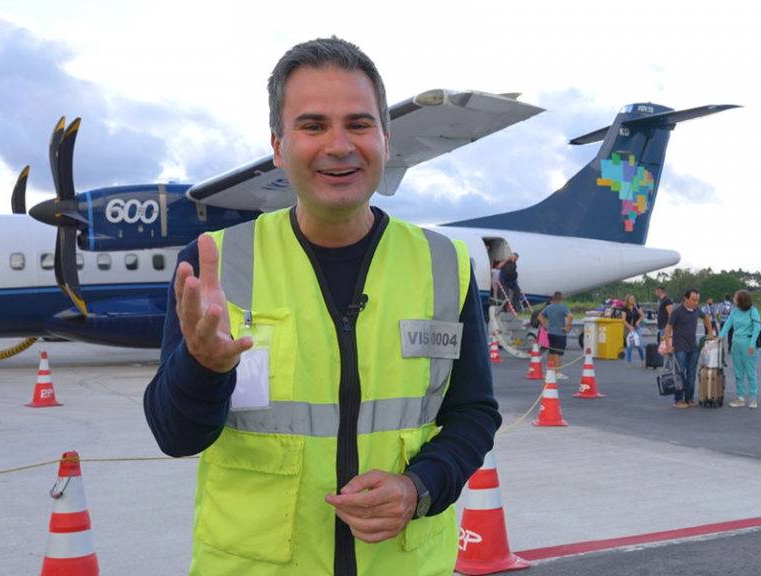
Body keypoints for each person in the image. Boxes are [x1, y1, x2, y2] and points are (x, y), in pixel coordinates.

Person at [143, 38, 501, 576]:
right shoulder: (216, 262)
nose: (339, 145)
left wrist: (419, 486)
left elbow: (473, 412)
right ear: (278, 146)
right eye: (312, 126)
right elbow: (176, 436)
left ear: (385, 138)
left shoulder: (445, 263)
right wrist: (203, 368)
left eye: (358, 125)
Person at [664, 288, 714, 408]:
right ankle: (678, 399)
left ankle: (689, 398)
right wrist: (668, 345)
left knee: (691, 374)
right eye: (693, 300)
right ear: (685, 299)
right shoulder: (677, 312)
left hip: (692, 347)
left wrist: (710, 333)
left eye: (697, 300)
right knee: (680, 374)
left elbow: (706, 317)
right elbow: (668, 327)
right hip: (679, 347)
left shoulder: (696, 310)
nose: (696, 303)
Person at [716, 290, 761, 408]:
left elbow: (757, 328)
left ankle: (753, 398)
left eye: (736, 299)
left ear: (742, 300)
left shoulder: (753, 311)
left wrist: (752, 344)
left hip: (748, 342)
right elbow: (728, 324)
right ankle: (740, 397)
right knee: (738, 372)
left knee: (750, 372)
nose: (734, 301)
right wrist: (721, 335)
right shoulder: (734, 311)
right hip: (736, 342)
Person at [540, 291, 573, 379]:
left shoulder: (549, 307)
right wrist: (567, 327)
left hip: (550, 332)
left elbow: (540, 316)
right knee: (557, 353)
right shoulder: (563, 307)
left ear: (553, 299)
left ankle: (549, 370)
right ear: (561, 298)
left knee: (551, 352)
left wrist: (545, 325)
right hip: (559, 333)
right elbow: (570, 316)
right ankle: (557, 372)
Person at [621, 294, 645, 368]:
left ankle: (643, 360)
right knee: (630, 346)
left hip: (637, 327)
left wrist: (638, 321)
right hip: (629, 328)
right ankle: (629, 362)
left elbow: (642, 315)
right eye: (631, 299)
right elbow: (623, 320)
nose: (632, 300)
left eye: (633, 299)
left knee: (639, 345)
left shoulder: (637, 306)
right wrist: (629, 326)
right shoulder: (624, 309)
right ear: (627, 300)